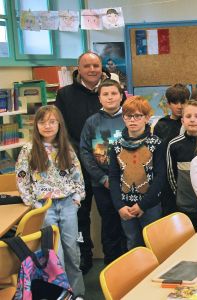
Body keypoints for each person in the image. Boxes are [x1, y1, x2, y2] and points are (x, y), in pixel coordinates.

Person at [55, 51, 116, 274]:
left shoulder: (112, 91)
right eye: (87, 66)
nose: (92, 69)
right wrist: (80, 155)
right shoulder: (65, 94)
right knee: (80, 215)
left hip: (108, 169)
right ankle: (85, 257)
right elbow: (62, 130)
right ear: (78, 69)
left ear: (102, 68)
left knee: (109, 214)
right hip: (76, 166)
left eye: (96, 65)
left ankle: (113, 258)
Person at [16, 106, 86, 297]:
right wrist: (35, 204)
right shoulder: (28, 150)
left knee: (72, 251)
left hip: (67, 204)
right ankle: (62, 293)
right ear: (36, 125)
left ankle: (77, 292)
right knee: (56, 254)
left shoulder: (66, 147)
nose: (47, 126)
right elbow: (22, 179)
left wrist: (77, 197)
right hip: (44, 206)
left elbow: (77, 175)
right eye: (42, 122)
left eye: (52, 121)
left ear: (59, 124)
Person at [79, 79, 127, 266]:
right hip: (102, 184)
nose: (110, 97)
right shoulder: (92, 122)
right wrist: (102, 177)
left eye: (114, 93)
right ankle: (112, 268)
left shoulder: (129, 118)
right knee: (109, 226)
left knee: (128, 226)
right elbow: (84, 152)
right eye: (105, 94)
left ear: (121, 96)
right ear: (99, 98)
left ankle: (130, 267)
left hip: (127, 184)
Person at [108, 96, 166, 249]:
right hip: (125, 206)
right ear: (123, 118)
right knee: (133, 243)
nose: (133, 120)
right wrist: (119, 206)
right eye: (128, 116)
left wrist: (143, 205)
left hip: (150, 204)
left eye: (138, 116)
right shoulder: (116, 146)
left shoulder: (156, 143)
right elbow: (113, 178)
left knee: (154, 243)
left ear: (147, 118)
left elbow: (160, 177)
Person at [167, 100, 197, 231]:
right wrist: (180, 195)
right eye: (188, 116)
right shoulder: (174, 145)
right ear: (182, 120)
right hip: (186, 205)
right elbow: (171, 175)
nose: (192, 120)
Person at [153, 83, 190, 215]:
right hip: (167, 179)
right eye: (175, 102)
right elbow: (157, 155)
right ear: (168, 104)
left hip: (187, 176)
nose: (179, 106)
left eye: (183, 102)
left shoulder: (191, 124)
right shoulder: (161, 125)